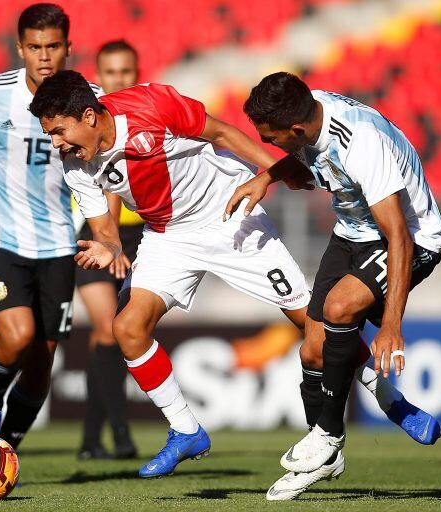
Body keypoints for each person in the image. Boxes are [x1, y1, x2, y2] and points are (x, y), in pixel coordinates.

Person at [30, 69, 313, 478]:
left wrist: (282, 168)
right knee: (128, 328)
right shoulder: (75, 162)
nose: (56, 143)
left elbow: (221, 134)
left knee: (311, 320)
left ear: (89, 117)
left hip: (229, 216)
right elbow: (104, 229)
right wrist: (108, 246)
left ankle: (389, 396)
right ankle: (186, 430)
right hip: (169, 236)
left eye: (59, 131)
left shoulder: (151, 103)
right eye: (50, 135)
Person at [228, 71, 441, 499]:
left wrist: (392, 327)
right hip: (352, 234)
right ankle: (327, 455)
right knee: (312, 349)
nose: (269, 148)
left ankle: (329, 435)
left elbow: (399, 234)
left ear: (296, 129)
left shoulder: (363, 143)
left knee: (340, 308)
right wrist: (266, 177)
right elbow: (306, 152)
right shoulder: (312, 107)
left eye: (273, 139)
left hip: (409, 240)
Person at [0, 3, 100, 449]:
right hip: (0, 238)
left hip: (58, 244)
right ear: (19, 49)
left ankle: (3, 449)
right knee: (17, 335)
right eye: (34, 47)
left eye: (53, 46)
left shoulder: (90, 101)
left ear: (69, 48)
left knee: (40, 363)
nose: (44, 56)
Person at [76, 40, 142, 461]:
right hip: (97, 232)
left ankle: (89, 439)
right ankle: (120, 435)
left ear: (137, 73)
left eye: (126, 72)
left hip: (142, 234)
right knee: (106, 329)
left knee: (117, 335)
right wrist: (109, 240)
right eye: (111, 72)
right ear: (98, 76)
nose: (119, 79)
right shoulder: (87, 118)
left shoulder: (144, 111)